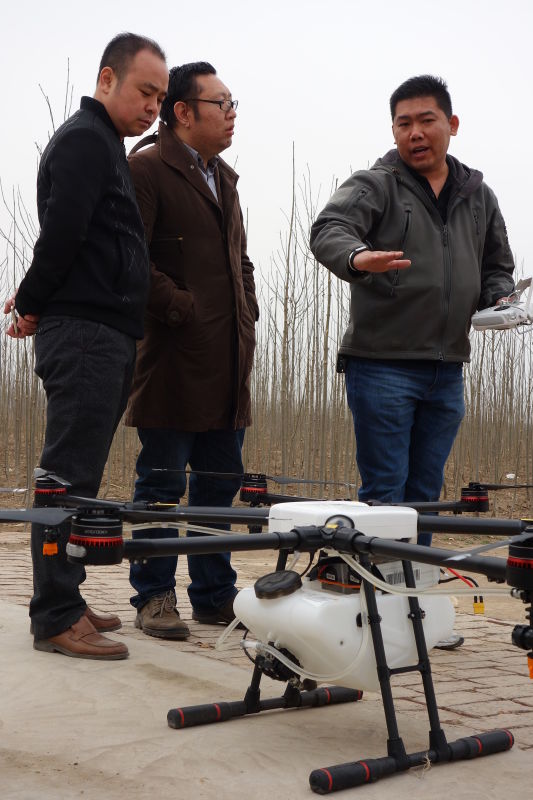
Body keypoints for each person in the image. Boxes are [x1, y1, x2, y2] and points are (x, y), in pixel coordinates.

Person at [310, 75, 514, 649]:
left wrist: (499, 298)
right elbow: (328, 229)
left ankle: (416, 611)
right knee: (385, 496)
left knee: (426, 495)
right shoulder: (377, 184)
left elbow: (497, 264)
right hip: (383, 364)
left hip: (448, 367)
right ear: (393, 130)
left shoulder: (478, 195)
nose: (415, 133)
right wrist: (358, 257)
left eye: (427, 120)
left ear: (452, 124)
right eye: (404, 123)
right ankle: (378, 617)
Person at [3, 33, 168, 659]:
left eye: (160, 97)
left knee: (82, 477)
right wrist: (32, 301)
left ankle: (65, 594)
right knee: (65, 477)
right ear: (107, 79)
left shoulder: (105, 145)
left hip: (105, 332)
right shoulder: (84, 141)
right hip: (85, 333)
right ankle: (54, 615)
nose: (152, 106)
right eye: (144, 91)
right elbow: (63, 233)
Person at [124, 62, 258, 639]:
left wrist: (247, 308)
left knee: (217, 486)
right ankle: (154, 596)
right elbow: (130, 260)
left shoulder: (223, 178)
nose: (231, 114)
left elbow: (238, 260)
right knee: (161, 486)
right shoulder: (147, 169)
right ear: (182, 112)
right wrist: (183, 308)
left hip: (228, 360)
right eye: (220, 103)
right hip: (173, 358)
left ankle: (214, 595)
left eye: (233, 104)